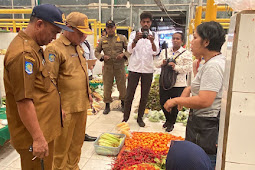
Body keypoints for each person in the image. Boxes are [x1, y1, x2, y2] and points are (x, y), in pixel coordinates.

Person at [3, 4, 73, 169]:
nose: (55, 38)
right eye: (54, 32)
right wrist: (38, 138)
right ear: (39, 24)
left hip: (44, 128)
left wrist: (57, 109)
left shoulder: (34, 48)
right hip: (33, 137)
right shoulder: (23, 55)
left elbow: (41, 87)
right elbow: (23, 101)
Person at [164, 21, 226, 168]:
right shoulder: (210, 62)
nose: (191, 42)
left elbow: (205, 100)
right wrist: (188, 89)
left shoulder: (213, 66)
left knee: (201, 162)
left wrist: (176, 100)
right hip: (203, 125)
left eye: (195, 37)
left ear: (206, 42)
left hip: (205, 127)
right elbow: (205, 86)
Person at [44, 12, 93, 170]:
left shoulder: (77, 47)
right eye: (80, 32)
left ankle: (73, 167)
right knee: (60, 150)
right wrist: (56, 107)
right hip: (65, 110)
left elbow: (80, 73)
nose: (84, 36)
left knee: (76, 145)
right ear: (68, 28)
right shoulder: (54, 49)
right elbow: (49, 82)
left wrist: (88, 93)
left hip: (80, 106)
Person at [123, 12, 160, 127]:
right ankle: (125, 118)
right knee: (129, 94)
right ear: (140, 22)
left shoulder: (154, 35)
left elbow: (156, 51)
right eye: (143, 22)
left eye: (148, 22)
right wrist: (135, 40)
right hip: (134, 68)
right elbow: (129, 50)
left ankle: (140, 118)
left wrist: (152, 41)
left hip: (148, 69)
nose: (145, 24)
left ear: (150, 23)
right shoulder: (134, 34)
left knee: (144, 96)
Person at [156, 32, 193, 132]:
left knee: (176, 104)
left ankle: (171, 123)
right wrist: (162, 63)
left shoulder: (186, 53)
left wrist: (175, 67)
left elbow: (189, 68)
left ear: (182, 41)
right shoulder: (165, 51)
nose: (175, 40)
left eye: (177, 39)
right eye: (174, 38)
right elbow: (156, 64)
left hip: (179, 83)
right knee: (163, 102)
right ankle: (168, 119)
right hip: (165, 82)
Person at [95, 20, 130, 114]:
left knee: (122, 86)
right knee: (107, 86)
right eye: (108, 28)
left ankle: (123, 104)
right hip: (107, 67)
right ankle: (107, 105)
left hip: (120, 66)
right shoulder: (102, 40)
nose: (110, 29)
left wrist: (123, 55)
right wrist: (102, 57)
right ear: (106, 29)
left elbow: (129, 50)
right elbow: (96, 52)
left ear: (115, 28)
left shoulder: (122, 38)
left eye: (112, 27)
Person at [80, 24, 97, 142]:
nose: (85, 35)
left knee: (83, 109)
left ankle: (81, 133)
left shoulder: (86, 44)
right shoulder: (67, 46)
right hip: (74, 83)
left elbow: (91, 58)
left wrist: (92, 64)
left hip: (86, 78)